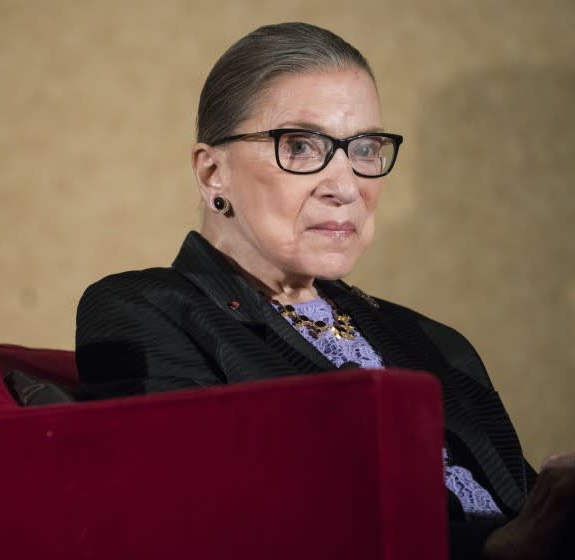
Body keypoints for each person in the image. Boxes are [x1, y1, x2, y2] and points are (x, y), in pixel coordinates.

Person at [74, 22, 575, 559]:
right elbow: (214, 524)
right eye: (300, 144)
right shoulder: (146, 309)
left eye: (363, 148)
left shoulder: (432, 340)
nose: (344, 186)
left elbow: (527, 510)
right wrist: (498, 549)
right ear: (211, 170)